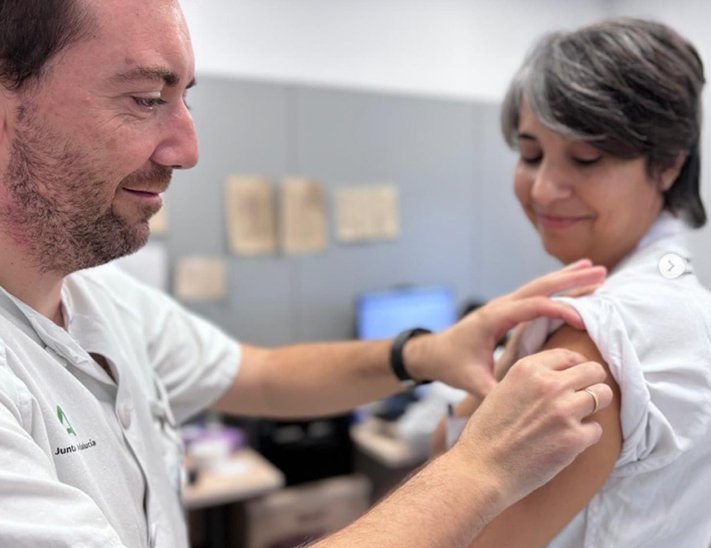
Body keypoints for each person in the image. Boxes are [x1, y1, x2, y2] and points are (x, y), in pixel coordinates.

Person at [0, 1, 616, 546]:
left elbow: (264, 378)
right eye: (145, 100)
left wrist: (424, 354)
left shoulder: (102, 300)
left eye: (186, 98)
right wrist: (485, 467)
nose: (187, 150)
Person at [434, 18, 711, 547]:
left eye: (586, 157)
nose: (545, 189)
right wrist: (497, 369)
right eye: (530, 154)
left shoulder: (600, 335)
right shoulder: (648, 296)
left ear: (668, 164)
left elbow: (451, 534)